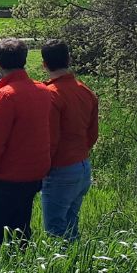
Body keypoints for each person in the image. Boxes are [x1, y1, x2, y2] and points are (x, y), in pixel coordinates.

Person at [0, 37, 58, 251]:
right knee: (20, 235)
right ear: (24, 60)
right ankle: (21, 268)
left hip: (2, 179)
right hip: (31, 176)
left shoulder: (5, 96)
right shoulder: (42, 91)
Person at [39, 40, 98, 239]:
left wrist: (41, 169)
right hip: (83, 166)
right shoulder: (85, 91)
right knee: (71, 226)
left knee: (55, 231)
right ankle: (76, 257)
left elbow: (50, 140)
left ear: (44, 64)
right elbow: (93, 134)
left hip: (60, 169)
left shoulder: (50, 95)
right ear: (69, 59)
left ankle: (63, 260)